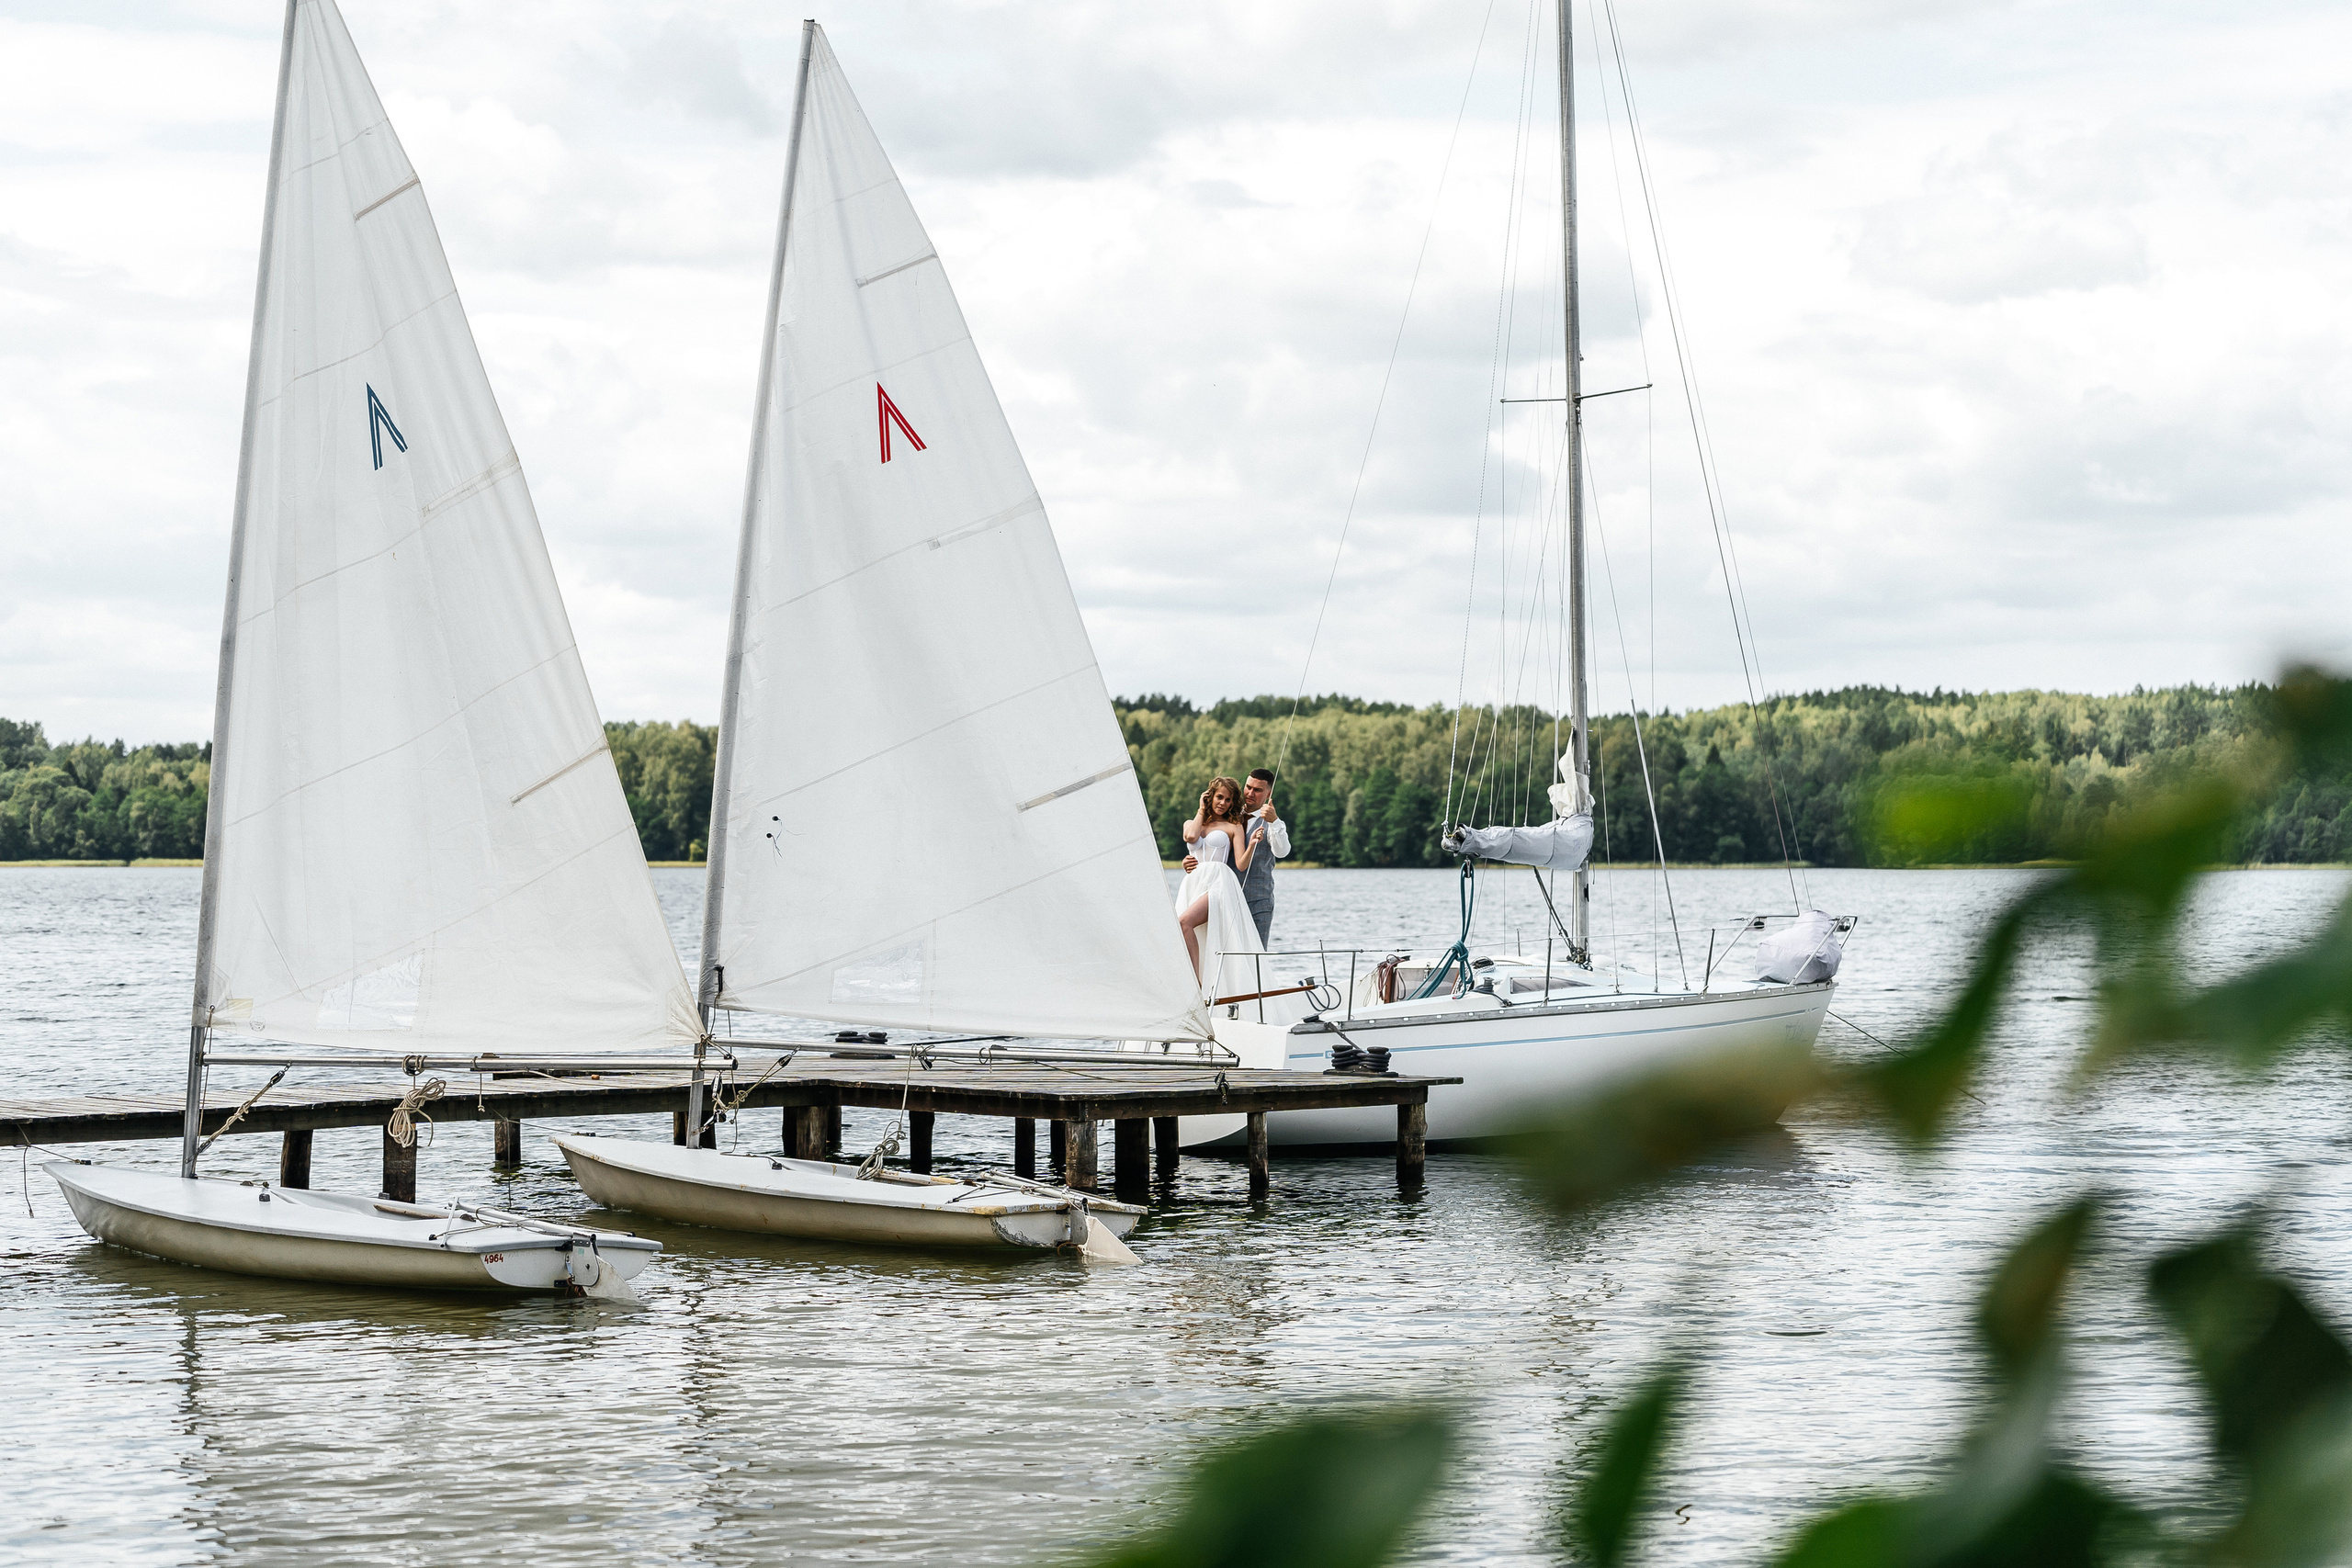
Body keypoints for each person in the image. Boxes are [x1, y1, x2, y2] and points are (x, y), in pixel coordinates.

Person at [1173, 776, 1267, 992]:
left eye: (1228, 800)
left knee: (1184, 922)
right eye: (1219, 797)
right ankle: (1200, 987)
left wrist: (1252, 843)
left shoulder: (1233, 826)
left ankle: (1196, 985)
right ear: (1209, 796)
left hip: (1218, 882)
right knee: (1188, 932)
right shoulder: (1192, 823)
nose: (1223, 803)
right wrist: (1201, 808)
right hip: (1193, 882)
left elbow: (1241, 864)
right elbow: (1190, 837)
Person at [1185, 766, 1288, 945]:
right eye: (1248, 787)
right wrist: (1190, 861)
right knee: (1227, 954)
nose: (1250, 793)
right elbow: (1207, 844)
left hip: (1258, 901)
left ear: (1268, 794)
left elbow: (1282, 852)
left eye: (1258, 790)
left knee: (1255, 953)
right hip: (1224, 898)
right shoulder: (1228, 817)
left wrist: (1274, 821)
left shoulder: (1272, 822)